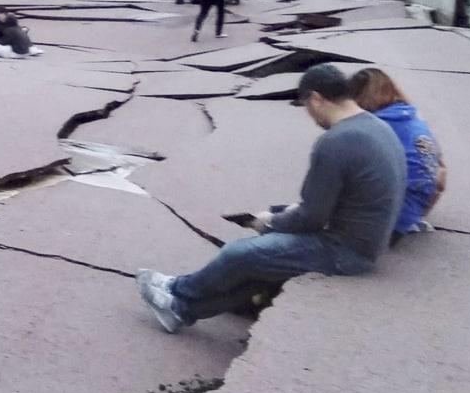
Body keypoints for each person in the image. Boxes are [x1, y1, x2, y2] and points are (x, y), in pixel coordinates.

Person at [136, 64, 404, 332]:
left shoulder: (336, 141)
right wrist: (282, 214)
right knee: (261, 267)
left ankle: (176, 291)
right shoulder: (377, 126)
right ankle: (180, 310)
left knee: (240, 254)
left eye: (305, 106)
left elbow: (312, 217)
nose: (309, 116)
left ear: (316, 99)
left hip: (345, 250)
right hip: (368, 242)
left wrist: (270, 222)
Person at [350, 68, 446, 239]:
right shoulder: (410, 115)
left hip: (385, 218)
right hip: (419, 202)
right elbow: (441, 174)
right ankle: (411, 218)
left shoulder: (377, 124)